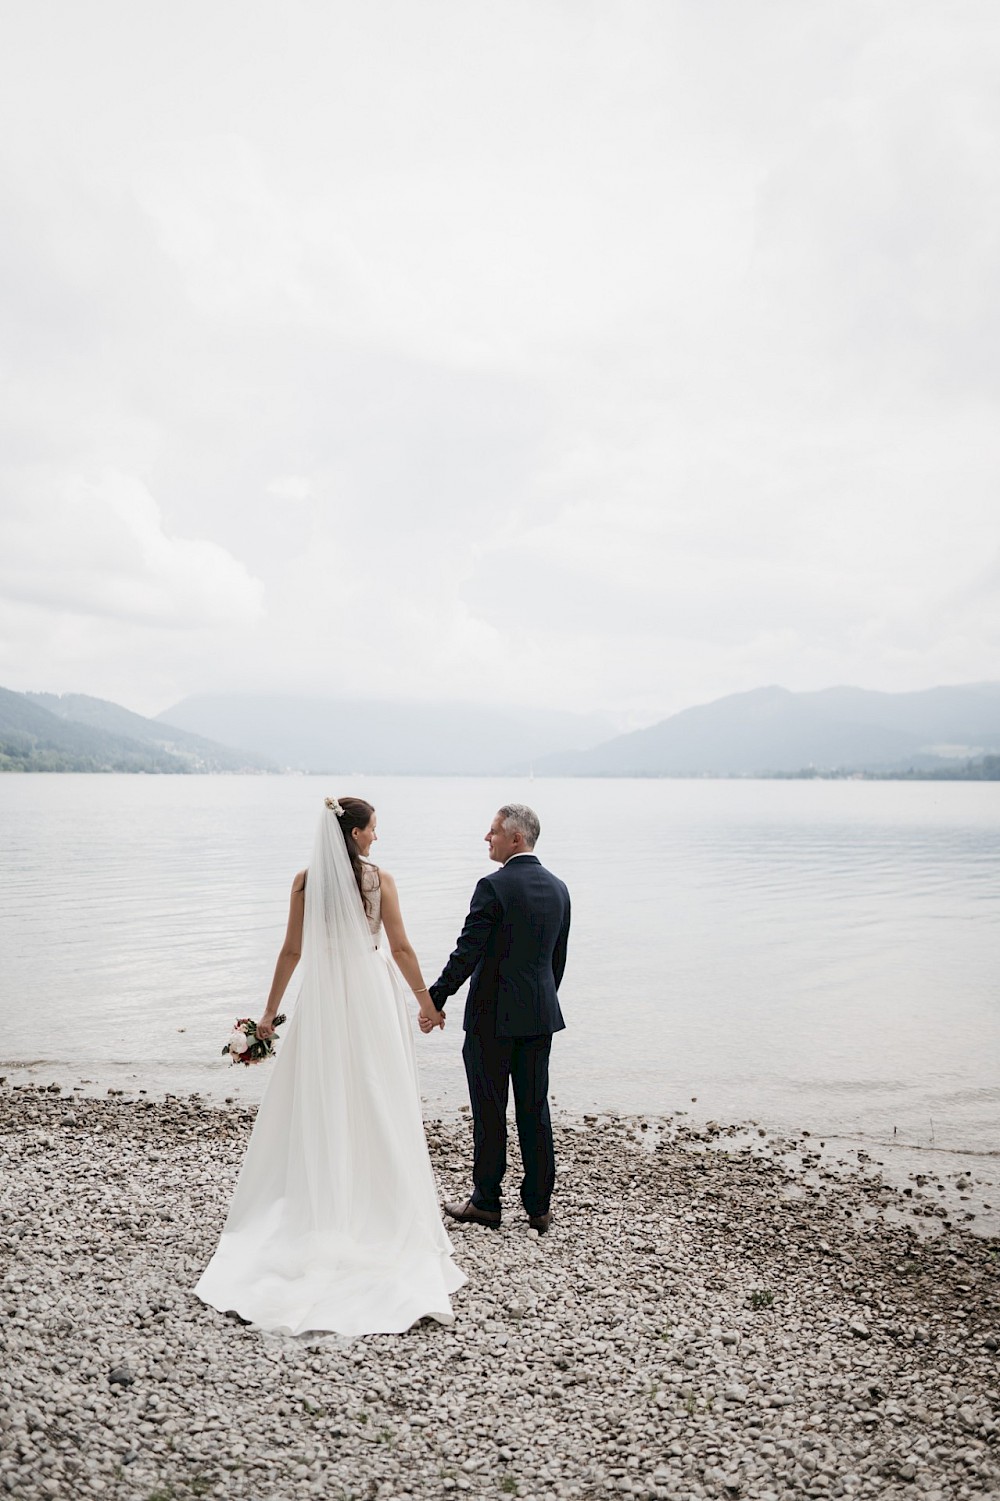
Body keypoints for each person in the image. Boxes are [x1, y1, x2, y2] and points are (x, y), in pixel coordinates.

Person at [195, 796, 465, 1336]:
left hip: (323, 996)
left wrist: (269, 1014)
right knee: (375, 1093)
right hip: (368, 995)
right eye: (372, 829)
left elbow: (291, 951)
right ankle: (377, 1206)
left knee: (320, 1094)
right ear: (357, 833)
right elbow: (403, 948)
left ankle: (318, 1201)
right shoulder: (379, 880)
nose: (376, 838)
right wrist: (425, 1004)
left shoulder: (303, 881)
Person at [424, 804, 570, 1234]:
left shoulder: (493, 886)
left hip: (491, 1020)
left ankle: (487, 1202)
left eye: (492, 832)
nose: (486, 839)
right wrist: (541, 1003)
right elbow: (555, 962)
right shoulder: (560, 888)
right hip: (540, 1018)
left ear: (516, 839)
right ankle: (539, 1207)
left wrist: (435, 1000)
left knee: (490, 1112)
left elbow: (466, 953)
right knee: (534, 1110)